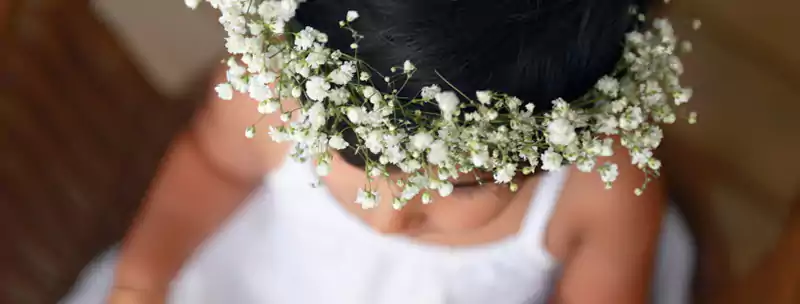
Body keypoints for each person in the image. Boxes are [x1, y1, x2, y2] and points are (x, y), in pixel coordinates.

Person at [63, 0, 694, 303]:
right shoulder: (275, 94)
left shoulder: (600, 192)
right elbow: (213, 164)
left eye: (465, 185)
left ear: (567, 139)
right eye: (352, 160)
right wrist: (144, 279)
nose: (390, 219)